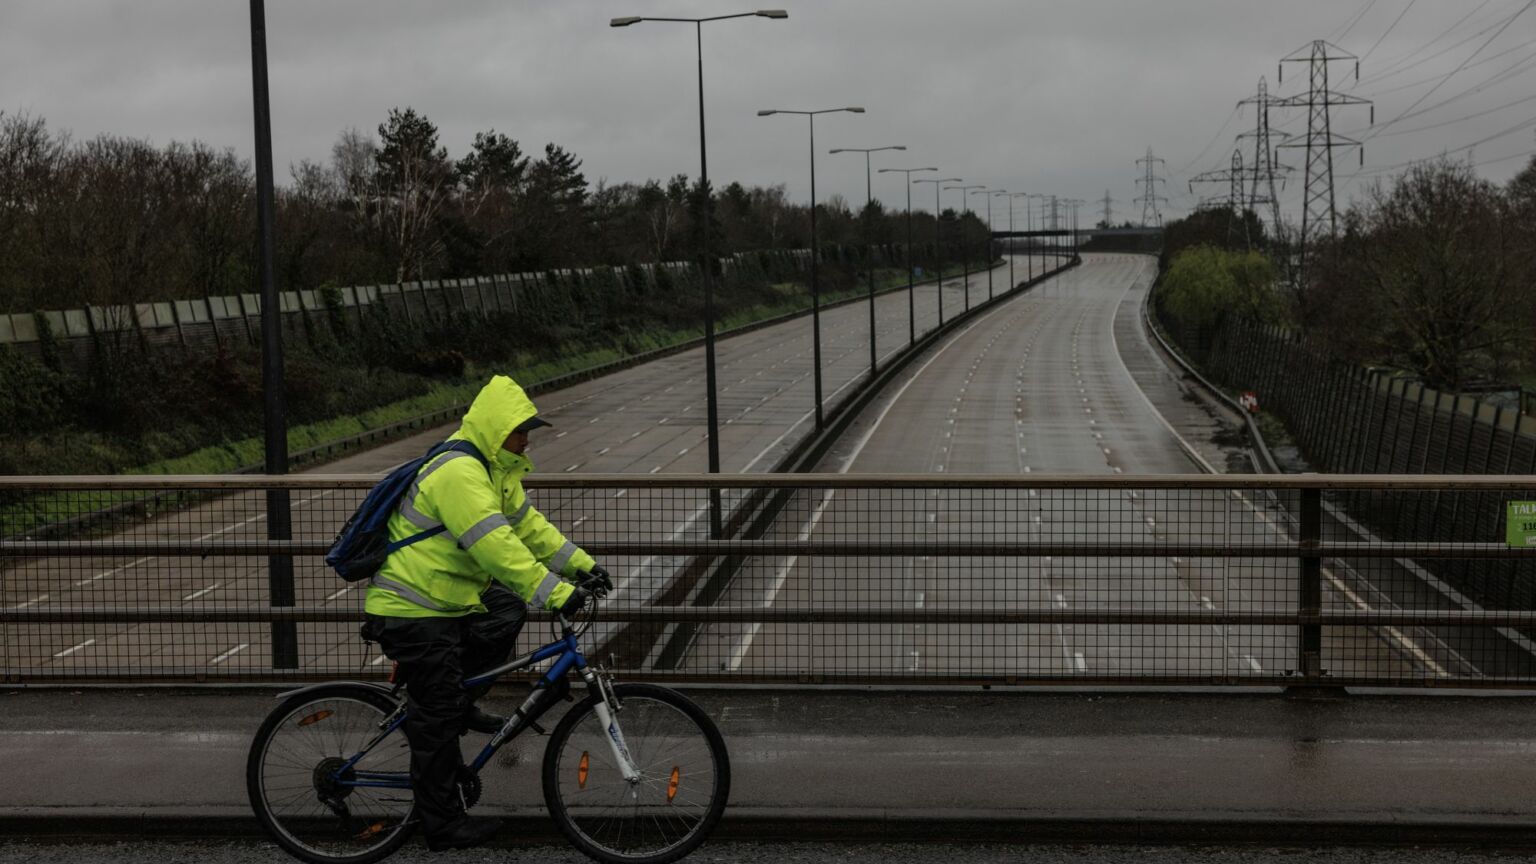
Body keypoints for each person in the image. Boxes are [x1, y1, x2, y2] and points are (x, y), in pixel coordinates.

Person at [361, 374, 612, 851]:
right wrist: (557, 593)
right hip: (413, 607)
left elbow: (529, 528)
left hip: (445, 601)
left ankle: (458, 696)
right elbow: (495, 546)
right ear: (498, 429)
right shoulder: (460, 473)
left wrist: (582, 566)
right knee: (434, 720)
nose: (527, 438)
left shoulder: (494, 469)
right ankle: (442, 825)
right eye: (522, 430)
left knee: (505, 606)